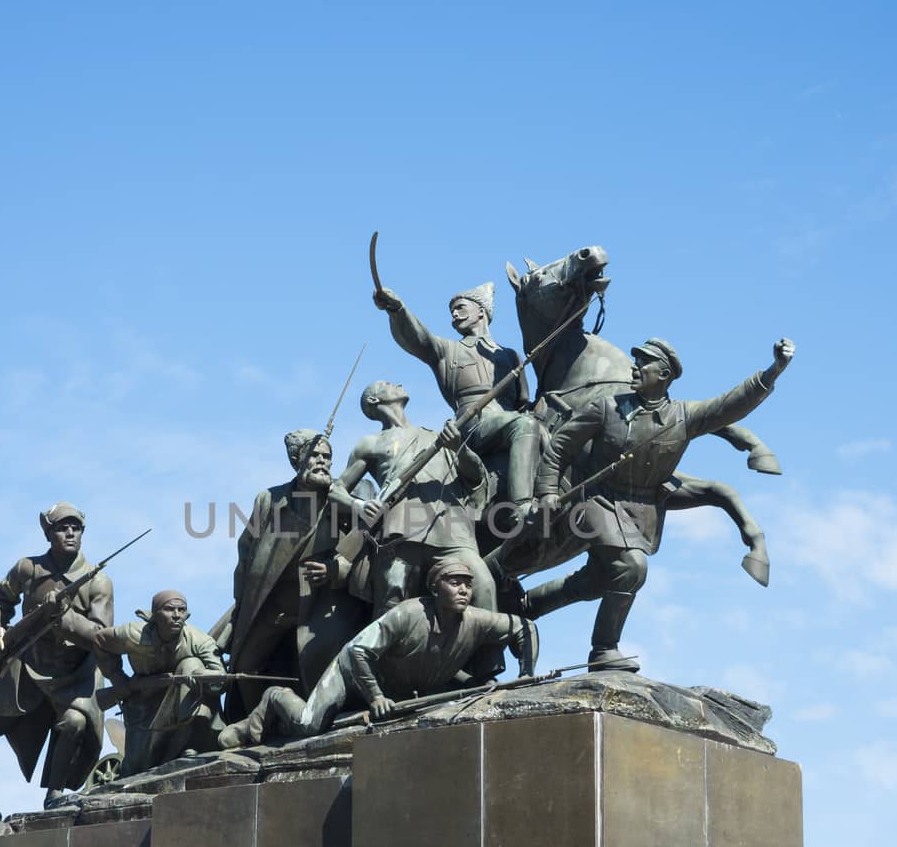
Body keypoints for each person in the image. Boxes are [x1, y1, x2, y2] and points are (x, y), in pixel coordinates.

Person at [527, 337, 795, 670]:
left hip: (644, 505)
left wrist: (774, 371)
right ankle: (603, 650)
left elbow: (731, 404)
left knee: (599, 579)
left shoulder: (685, 416)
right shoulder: (606, 408)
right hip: (596, 498)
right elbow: (559, 449)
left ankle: (527, 605)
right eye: (635, 361)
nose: (634, 368)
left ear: (664, 374)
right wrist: (547, 492)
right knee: (632, 566)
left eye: (643, 363)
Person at [219, 557, 537, 748]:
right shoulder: (408, 614)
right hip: (353, 671)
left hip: (396, 684)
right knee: (309, 725)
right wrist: (375, 697)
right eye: (454, 583)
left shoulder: (475, 620)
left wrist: (525, 674)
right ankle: (274, 699)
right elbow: (358, 652)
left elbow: (525, 627)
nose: (464, 590)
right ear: (436, 587)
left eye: (467, 584)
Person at [0, 502, 113, 809]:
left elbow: (100, 634)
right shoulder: (28, 568)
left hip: (73, 673)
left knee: (75, 723)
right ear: (48, 533)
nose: (69, 533)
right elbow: (1, 598)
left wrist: (64, 618)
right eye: (61, 527)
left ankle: (54, 792)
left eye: (75, 528)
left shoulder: (98, 581)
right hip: (28, 662)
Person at [223, 429, 365, 717]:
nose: (322, 461)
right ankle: (256, 725)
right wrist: (240, 602)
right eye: (314, 455)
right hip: (270, 603)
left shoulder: (344, 496)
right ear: (295, 458)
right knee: (246, 667)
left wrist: (337, 568)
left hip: (321, 603)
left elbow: (370, 539)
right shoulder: (268, 500)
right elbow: (245, 553)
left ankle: (315, 718)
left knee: (323, 659)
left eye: (327, 456)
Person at [331, 380, 497, 617]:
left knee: (484, 586)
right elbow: (336, 491)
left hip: (451, 529)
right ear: (373, 400)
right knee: (392, 596)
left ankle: (489, 653)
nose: (398, 384)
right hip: (402, 532)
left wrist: (459, 446)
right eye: (388, 384)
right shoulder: (370, 444)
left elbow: (475, 476)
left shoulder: (435, 436)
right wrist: (361, 505)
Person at [371, 280, 544, 505]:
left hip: (508, 418)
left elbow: (523, 402)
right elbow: (418, 339)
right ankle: (521, 505)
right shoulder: (449, 350)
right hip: (474, 424)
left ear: (481, 311)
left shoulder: (510, 355)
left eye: (461, 307)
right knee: (525, 425)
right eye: (452, 310)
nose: (454, 313)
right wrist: (397, 309)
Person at [92, 589, 225, 775]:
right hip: (143, 703)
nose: (177, 616)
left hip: (182, 701)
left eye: (182, 610)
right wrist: (119, 680)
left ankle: (190, 744)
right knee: (137, 766)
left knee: (191, 663)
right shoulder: (134, 634)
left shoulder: (199, 640)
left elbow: (220, 678)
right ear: (155, 614)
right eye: (170, 609)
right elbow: (100, 640)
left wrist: (203, 675)